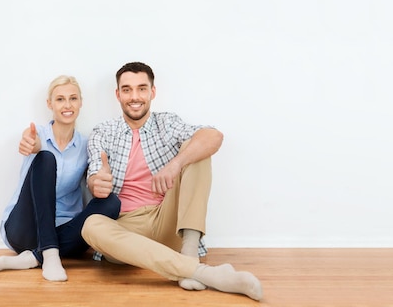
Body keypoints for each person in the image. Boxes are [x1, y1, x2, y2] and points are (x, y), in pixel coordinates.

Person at [82, 62, 263, 301]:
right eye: (127, 90)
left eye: (141, 89)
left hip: (166, 219)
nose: (134, 97)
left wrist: (175, 164)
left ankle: (189, 251)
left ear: (152, 92)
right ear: (118, 95)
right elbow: (95, 172)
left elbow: (213, 136)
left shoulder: (167, 123)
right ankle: (203, 272)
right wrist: (97, 182)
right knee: (91, 225)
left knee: (196, 147)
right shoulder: (102, 132)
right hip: (127, 229)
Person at [0, 75, 120, 282]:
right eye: (60, 99)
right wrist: (32, 145)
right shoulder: (37, 134)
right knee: (47, 158)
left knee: (111, 203)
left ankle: (33, 258)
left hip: (64, 230)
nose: (67, 105)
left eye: (73, 98)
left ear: (80, 103)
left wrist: (99, 180)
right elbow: (31, 140)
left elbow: (95, 179)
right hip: (24, 229)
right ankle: (49, 255)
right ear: (50, 104)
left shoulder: (87, 146)